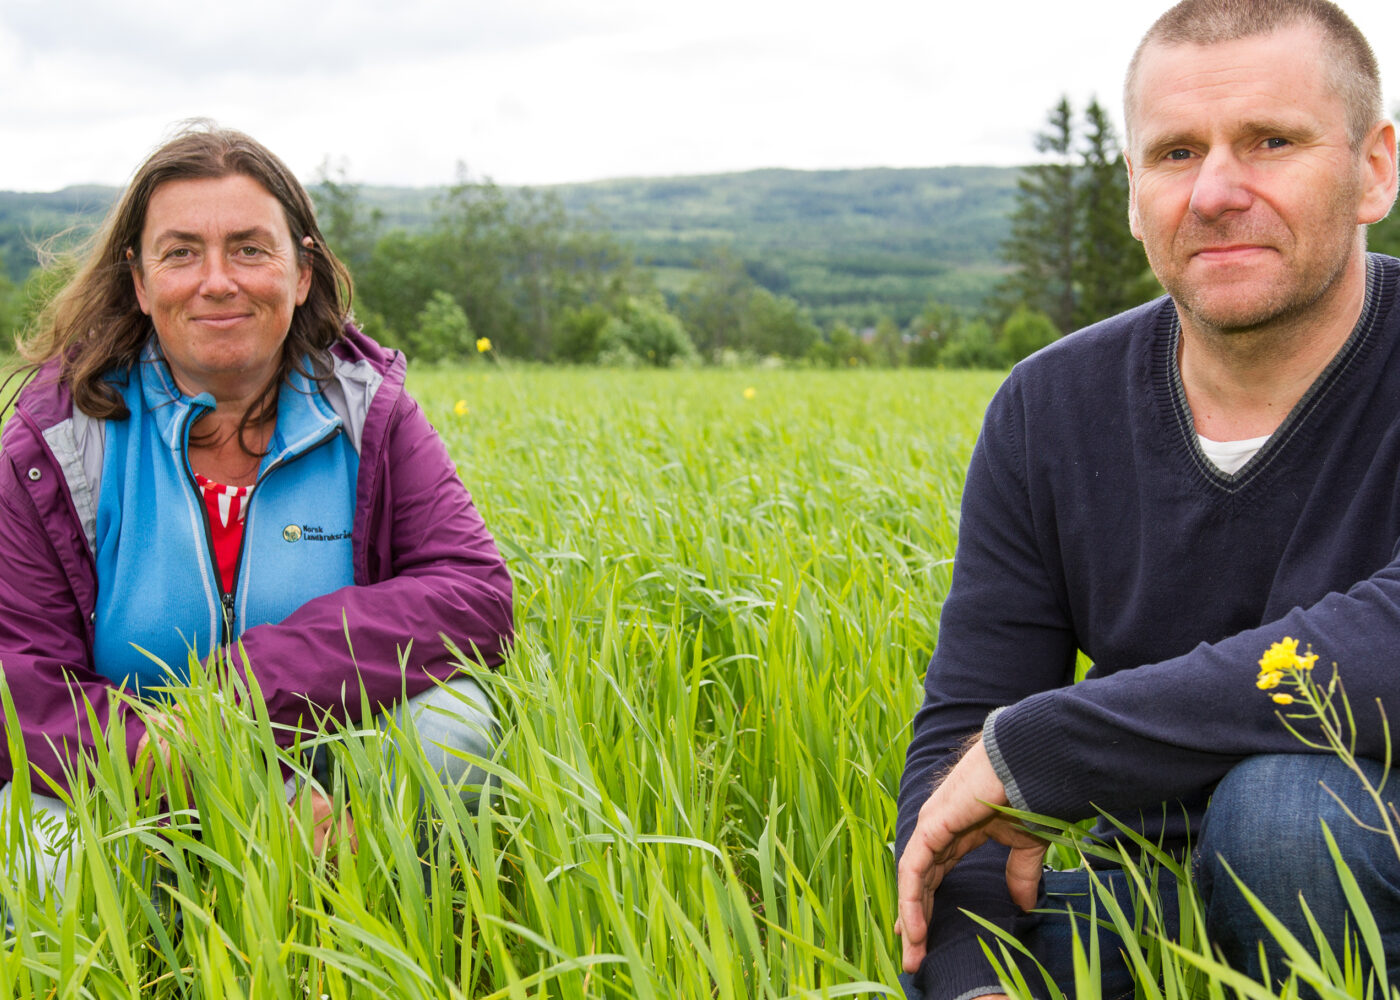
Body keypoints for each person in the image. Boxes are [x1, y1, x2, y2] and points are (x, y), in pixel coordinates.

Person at [895, 1, 1400, 997]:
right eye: (1173, 152)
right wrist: (969, 978)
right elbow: (967, 731)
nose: (1214, 191)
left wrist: (1045, 748)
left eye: (1270, 141)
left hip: (1357, 853)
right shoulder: (1047, 406)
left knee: (1287, 817)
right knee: (1034, 918)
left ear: (1371, 169)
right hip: (1156, 883)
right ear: (1131, 189)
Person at [0, 123, 514, 897]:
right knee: (36, 860)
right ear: (139, 282)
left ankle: (386, 916)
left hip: (331, 765)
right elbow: (20, 681)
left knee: (453, 731)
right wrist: (201, 769)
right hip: (127, 775)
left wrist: (243, 692)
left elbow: (472, 587)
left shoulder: (370, 415)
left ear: (301, 272)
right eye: (180, 252)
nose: (217, 280)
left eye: (249, 248)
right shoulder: (56, 444)